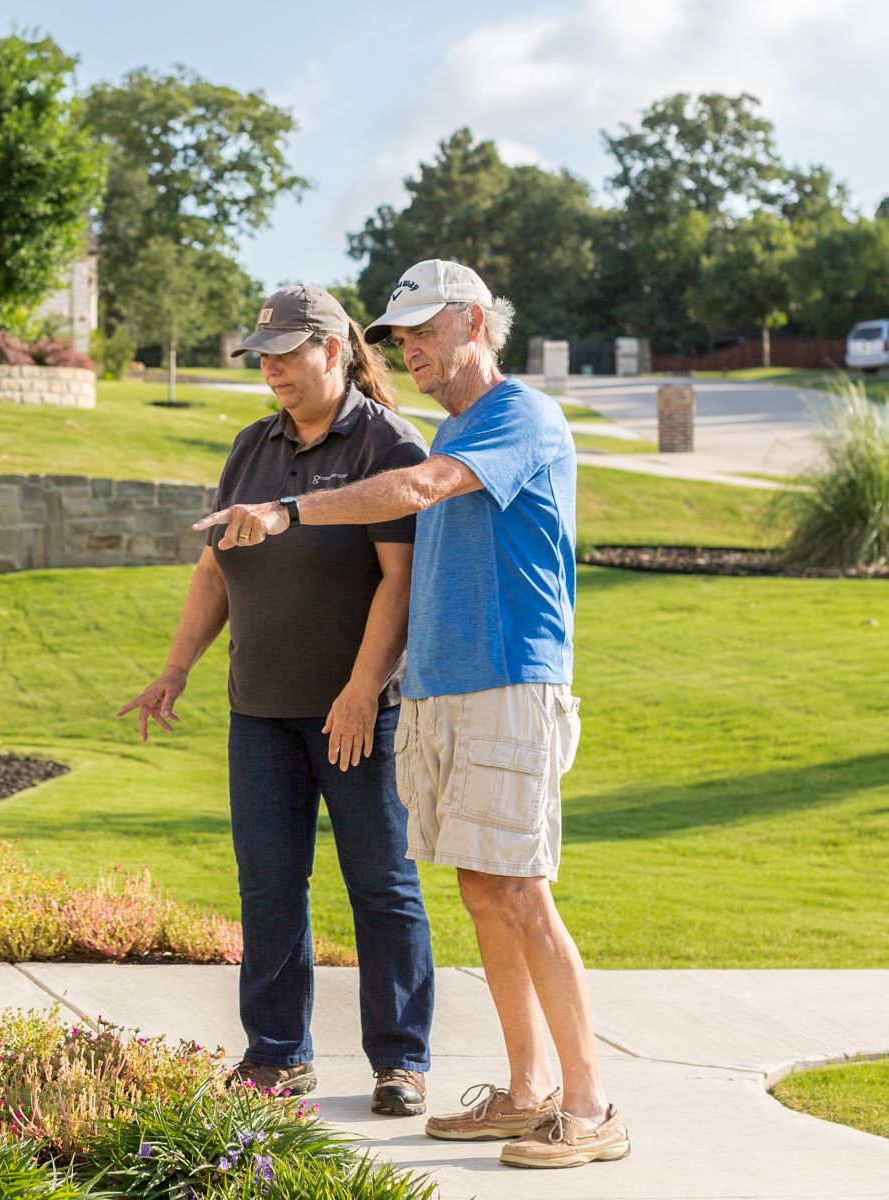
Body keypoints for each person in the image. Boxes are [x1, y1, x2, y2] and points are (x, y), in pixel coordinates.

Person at [195, 259, 628, 1170]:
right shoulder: (459, 423)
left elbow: (417, 492)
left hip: (512, 682)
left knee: (521, 891)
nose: (410, 351)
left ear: (474, 324)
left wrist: (286, 513)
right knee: (482, 890)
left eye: (426, 330)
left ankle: (590, 1106)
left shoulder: (517, 417)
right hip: (450, 688)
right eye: (401, 336)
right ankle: (524, 1093)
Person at [120, 284, 436, 1117]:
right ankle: (276, 1057)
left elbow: (400, 585)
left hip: (359, 712)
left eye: (286, 354)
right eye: (262, 356)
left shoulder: (387, 444)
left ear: (334, 350)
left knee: (382, 884)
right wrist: (176, 669)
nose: (271, 370)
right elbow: (215, 566)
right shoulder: (251, 446)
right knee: (268, 885)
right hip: (258, 710)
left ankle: (400, 1061)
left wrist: (364, 690)